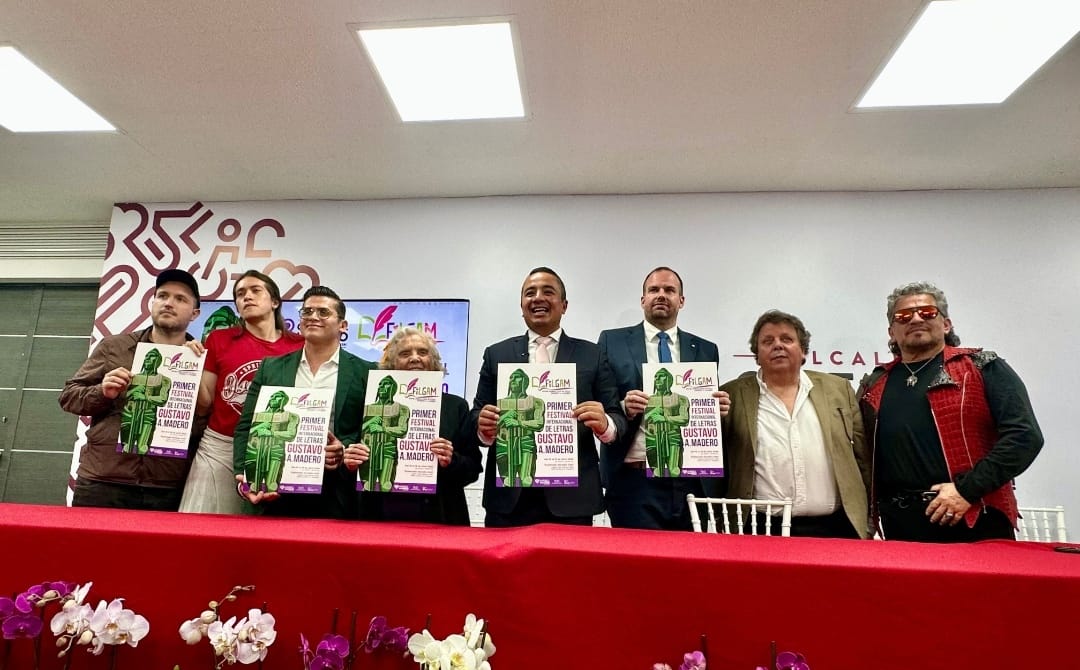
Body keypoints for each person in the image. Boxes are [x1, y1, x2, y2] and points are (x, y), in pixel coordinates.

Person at [858, 281, 1044, 542]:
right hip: (899, 525)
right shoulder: (875, 383)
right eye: (903, 316)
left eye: (927, 312)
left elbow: (1025, 437)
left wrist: (966, 490)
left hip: (975, 516)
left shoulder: (983, 366)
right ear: (892, 332)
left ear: (946, 324)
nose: (915, 319)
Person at [473, 266, 627, 527]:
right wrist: (483, 428)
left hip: (573, 500)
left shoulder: (592, 355)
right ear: (521, 306)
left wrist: (605, 425)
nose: (538, 298)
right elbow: (475, 416)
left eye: (548, 291)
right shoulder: (496, 354)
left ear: (564, 305)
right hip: (510, 497)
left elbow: (617, 417)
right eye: (529, 293)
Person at [59, 269, 202, 511]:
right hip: (103, 480)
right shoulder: (114, 346)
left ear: (195, 313)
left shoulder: (200, 360)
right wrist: (102, 392)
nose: (168, 303)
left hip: (166, 486)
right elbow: (68, 396)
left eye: (180, 299)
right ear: (152, 303)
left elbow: (206, 423)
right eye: (162, 296)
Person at [720, 310, 870, 538]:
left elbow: (862, 457)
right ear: (757, 355)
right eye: (768, 341)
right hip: (761, 528)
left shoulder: (838, 389)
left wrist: (869, 518)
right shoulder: (731, 395)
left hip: (836, 526)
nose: (777, 345)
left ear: (803, 351)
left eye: (786, 339)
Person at [597, 266, 726, 530]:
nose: (661, 295)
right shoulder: (612, 342)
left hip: (690, 479)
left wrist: (718, 409)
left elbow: (701, 412)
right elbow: (601, 402)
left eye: (669, 290)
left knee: (689, 557)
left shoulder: (705, 349)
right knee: (637, 557)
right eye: (654, 289)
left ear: (681, 300)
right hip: (635, 479)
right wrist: (623, 407)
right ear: (643, 299)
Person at [232, 285, 375, 519]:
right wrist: (244, 479)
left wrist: (344, 450)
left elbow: (368, 431)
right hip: (275, 490)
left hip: (338, 494)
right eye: (307, 312)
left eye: (323, 312)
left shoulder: (366, 371)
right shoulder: (270, 368)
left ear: (343, 325)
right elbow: (246, 427)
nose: (313, 317)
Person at [178, 270, 303, 514]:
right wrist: (189, 366)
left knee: (266, 525)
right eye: (240, 293)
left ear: (275, 301)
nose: (247, 297)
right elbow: (205, 404)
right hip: (220, 445)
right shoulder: (219, 339)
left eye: (256, 290)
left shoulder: (299, 344)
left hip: (275, 443)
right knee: (201, 524)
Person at [348, 326, 482, 525]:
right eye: (404, 353)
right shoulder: (367, 405)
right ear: (391, 364)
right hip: (380, 515)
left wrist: (451, 460)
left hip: (440, 517)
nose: (414, 358)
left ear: (434, 362)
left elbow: (473, 469)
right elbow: (352, 463)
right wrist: (352, 461)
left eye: (422, 352)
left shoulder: (456, 406)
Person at [495, 368, 545, 486]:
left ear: (524, 381)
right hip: (503, 444)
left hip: (525, 442)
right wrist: (505, 416)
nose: (512, 379)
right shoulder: (499, 403)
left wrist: (518, 423)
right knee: (507, 482)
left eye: (517, 377)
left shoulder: (536, 402)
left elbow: (539, 423)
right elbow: (491, 427)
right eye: (511, 377)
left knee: (527, 480)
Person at [359, 375, 410, 492]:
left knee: (386, 484)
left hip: (388, 448)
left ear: (393, 388)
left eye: (386, 384)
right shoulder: (366, 408)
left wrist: (382, 428)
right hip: (367, 448)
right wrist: (370, 421)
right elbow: (356, 431)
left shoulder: (402, 408)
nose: (382, 387)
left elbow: (402, 430)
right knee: (367, 485)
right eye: (380, 384)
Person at [244, 389, 298, 494]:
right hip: (254, 451)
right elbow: (245, 432)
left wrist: (270, 433)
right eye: (272, 396)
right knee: (253, 486)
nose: (273, 398)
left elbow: (291, 435)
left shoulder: (291, 416)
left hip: (275, 451)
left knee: (272, 485)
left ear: (283, 400)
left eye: (277, 396)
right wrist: (260, 426)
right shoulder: (257, 415)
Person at [119, 347, 171, 454]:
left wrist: (145, 397)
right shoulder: (132, 377)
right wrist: (135, 390)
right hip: (129, 414)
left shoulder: (164, 380)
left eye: (151, 356)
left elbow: (162, 399)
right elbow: (122, 396)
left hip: (148, 415)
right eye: (146, 356)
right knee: (126, 447)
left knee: (142, 448)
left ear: (158, 361)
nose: (147, 358)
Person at [643, 367, 689, 477]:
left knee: (674, 470)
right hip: (652, 438)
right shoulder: (647, 400)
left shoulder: (681, 399)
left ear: (669, 379)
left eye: (661, 376)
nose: (657, 379)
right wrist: (653, 412)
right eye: (656, 376)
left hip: (673, 436)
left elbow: (684, 419)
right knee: (657, 472)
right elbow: (641, 420)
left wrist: (664, 418)